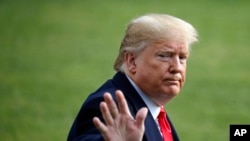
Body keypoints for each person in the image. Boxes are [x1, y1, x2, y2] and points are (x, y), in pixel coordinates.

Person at [67, 13, 198, 141]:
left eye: (182, 58)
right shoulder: (110, 106)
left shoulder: (153, 107)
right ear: (132, 61)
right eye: (164, 56)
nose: (177, 68)